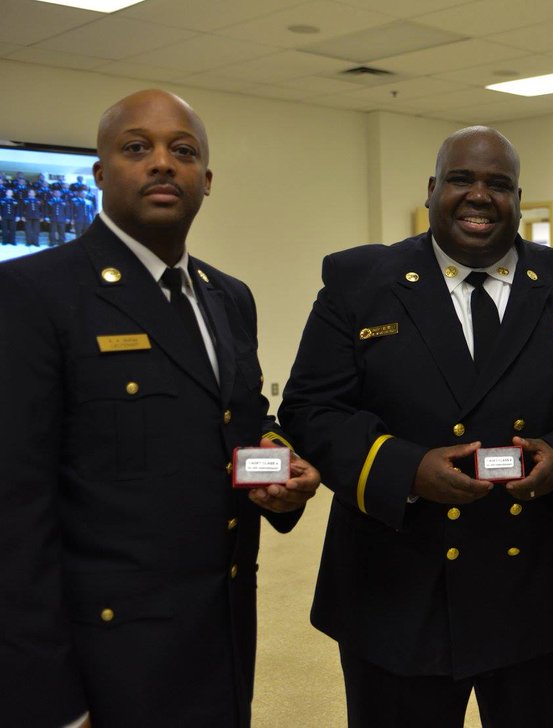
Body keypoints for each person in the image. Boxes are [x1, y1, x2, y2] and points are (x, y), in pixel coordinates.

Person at [279, 126, 553, 727]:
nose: (479, 196)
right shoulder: (360, 279)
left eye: (498, 184)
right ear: (431, 189)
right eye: (461, 179)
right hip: (396, 583)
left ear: (518, 198)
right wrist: (406, 469)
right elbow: (311, 408)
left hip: (537, 580)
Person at [0, 89, 321, 728]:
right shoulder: (33, 294)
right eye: (136, 147)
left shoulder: (228, 296)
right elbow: (14, 515)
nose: (162, 163)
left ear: (207, 180)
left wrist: (282, 471)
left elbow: (240, 420)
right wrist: (48, 702)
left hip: (221, 631)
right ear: (99, 173)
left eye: (183, 151)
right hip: (110, 650)